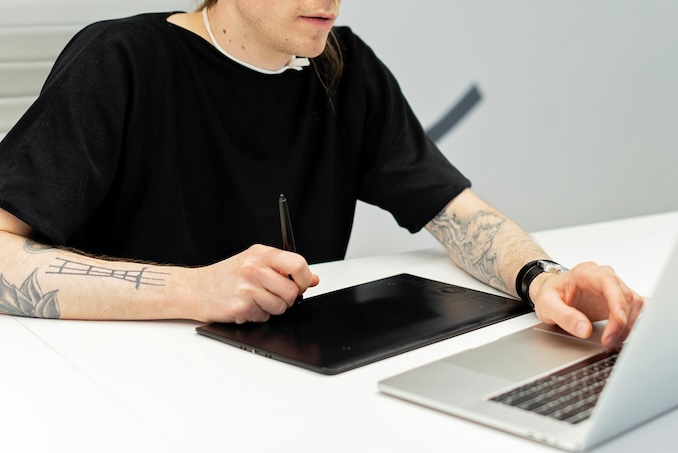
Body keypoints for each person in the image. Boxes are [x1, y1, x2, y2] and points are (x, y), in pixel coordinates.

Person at [0, 0, 643, 349]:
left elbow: (455, 212)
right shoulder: (120, 61)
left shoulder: (344, 68)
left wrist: (543, 277)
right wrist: (193, 290)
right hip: (121, 394)